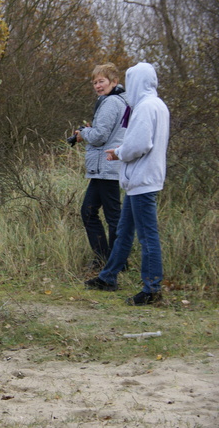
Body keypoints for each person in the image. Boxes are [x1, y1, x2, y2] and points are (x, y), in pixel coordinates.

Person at [85, 62, 170, 306]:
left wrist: (118, 153)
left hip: (143, 179)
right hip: (140, 179)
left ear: (137, 82)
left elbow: (140, 145)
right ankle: (108, 277)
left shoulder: (145, 107)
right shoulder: (157, 105)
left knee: (147, 237)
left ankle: (152, 289)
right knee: (123, 232)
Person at [74, 63, 128, 270]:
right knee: (89, 212)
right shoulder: (118, 101)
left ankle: (115, 263)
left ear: (114, 82)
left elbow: (99, 136)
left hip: (107, 167)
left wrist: (83, 134)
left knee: (111, 216)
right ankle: (105, 259)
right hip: (103, 169)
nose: (97, 85)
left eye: (102, 81)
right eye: (95, 82)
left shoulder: (112, 102)